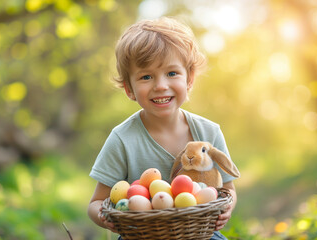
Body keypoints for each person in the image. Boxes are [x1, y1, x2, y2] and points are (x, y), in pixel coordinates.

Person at [87, 17, 239, 240]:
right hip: (140, 235)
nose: (160, 85)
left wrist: (227, 209)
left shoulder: (208, 133)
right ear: (129, 89)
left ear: (190, 79)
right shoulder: (122, 139)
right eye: (146, 76)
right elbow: (96, 203)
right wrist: (109, 218)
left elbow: (228, 190)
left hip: (197, 233)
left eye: (172, 73)